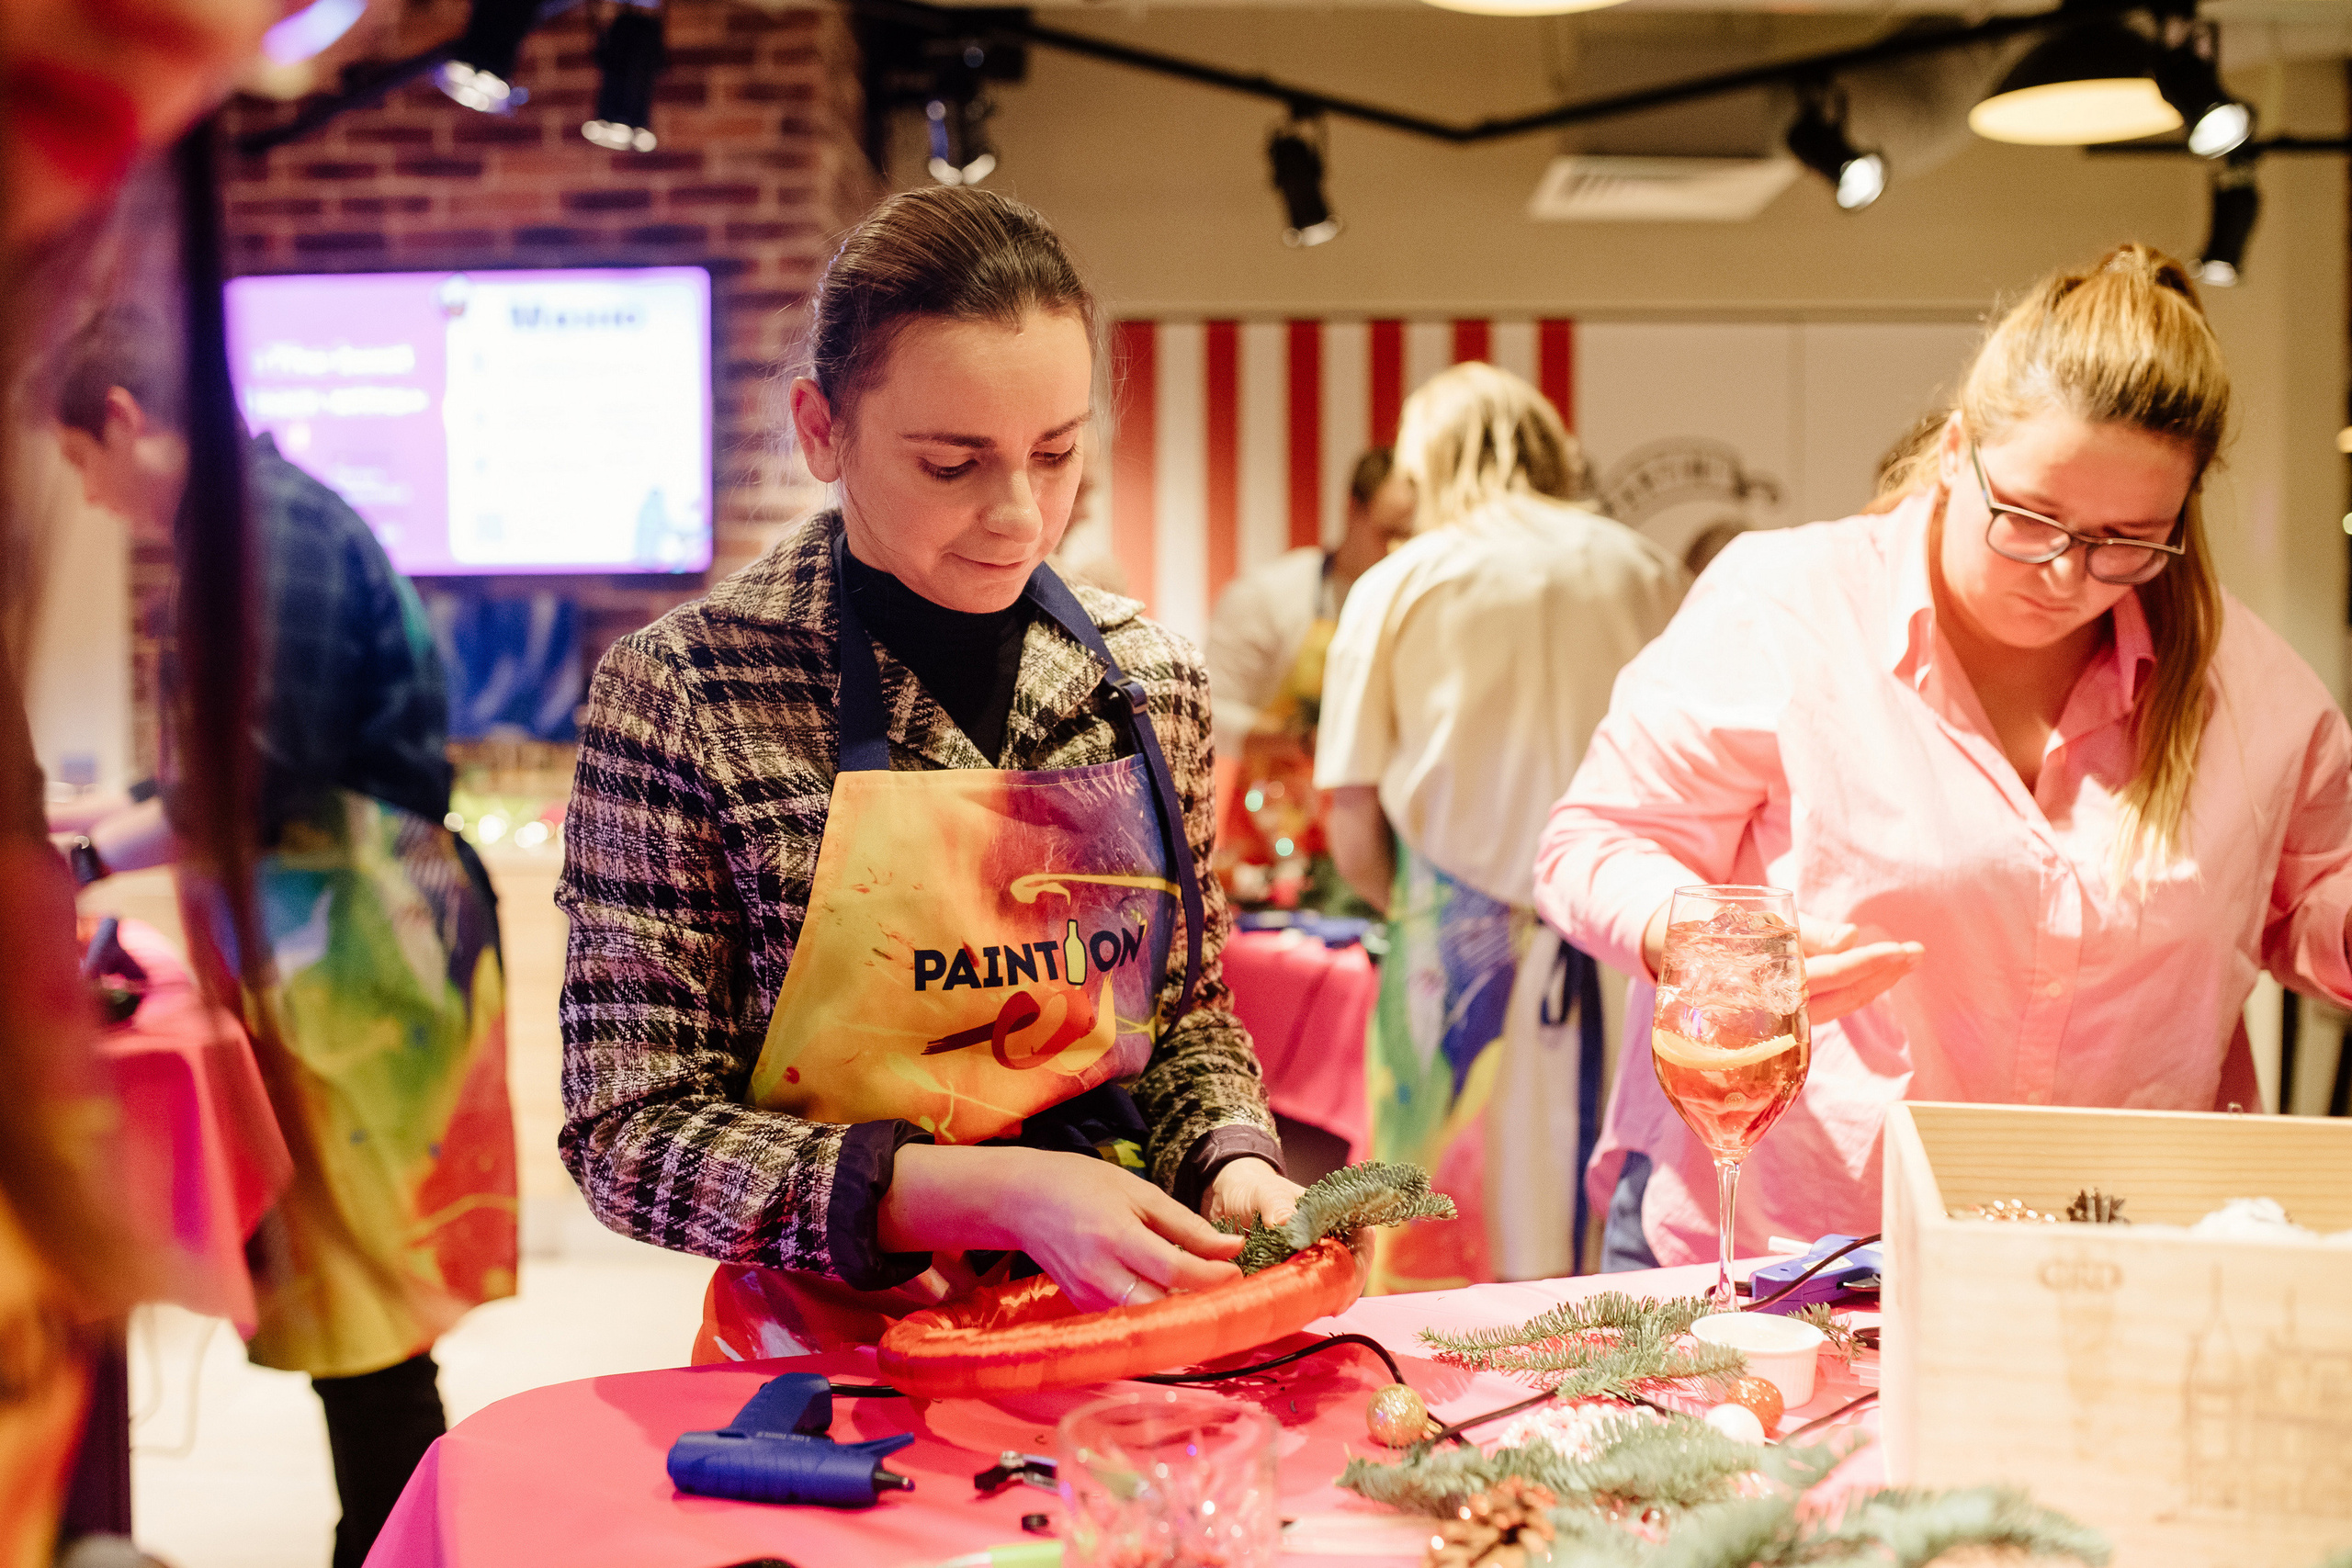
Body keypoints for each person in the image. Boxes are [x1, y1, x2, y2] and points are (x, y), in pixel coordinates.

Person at [558, 186, 1308, 1361]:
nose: (1019, 517)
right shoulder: (691, 692)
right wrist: (968, 1191)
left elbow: (1183, 1020)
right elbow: (627, 1136)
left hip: (1125, 1326)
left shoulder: (1149, 679)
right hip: (836, 1351)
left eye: (1056, 456)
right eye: (952, 464)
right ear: (822, 430)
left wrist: (1235, 1155)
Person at [1536, 243, 2352, 1269]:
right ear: (1958, 447)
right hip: (1790, 1249)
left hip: (2115, 1260)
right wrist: (1705, 943)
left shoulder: (2251, 693)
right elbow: (1592, 845)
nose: (2065, 573)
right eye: (2029, 516)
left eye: (2125, 539)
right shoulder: (1789, 608)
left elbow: (2310, 906)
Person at [51, 305, 516, 1568]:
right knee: (360, 1326)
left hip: (367, 954)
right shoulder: (256, 523)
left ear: (127, 421)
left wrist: (82, 858)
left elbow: (262, 775)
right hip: (342, 945)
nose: (92, 502)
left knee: (369, 1322)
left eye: (84, 464)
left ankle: (389, 1550)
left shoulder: (265, 532)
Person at [1314, 362, 1687, 1292]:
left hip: (1453, 947)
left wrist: (1407, 905)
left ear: (1425, 461)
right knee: (1624, 1209)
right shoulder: (1642, 567)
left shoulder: (1402, 580)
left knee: (1439, 1226)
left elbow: (1349, 808)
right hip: (1626, 936)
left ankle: (1441, 1413)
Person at [1206, 448, 1415, 914]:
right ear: (1353, 510)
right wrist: (1298, 741)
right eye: (1388, 534)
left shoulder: (1420, 614)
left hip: (1378, 843)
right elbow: (1210, 712)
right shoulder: (1270, 597)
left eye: (1412, 539)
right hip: (1274, 839)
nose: (1399, 553)